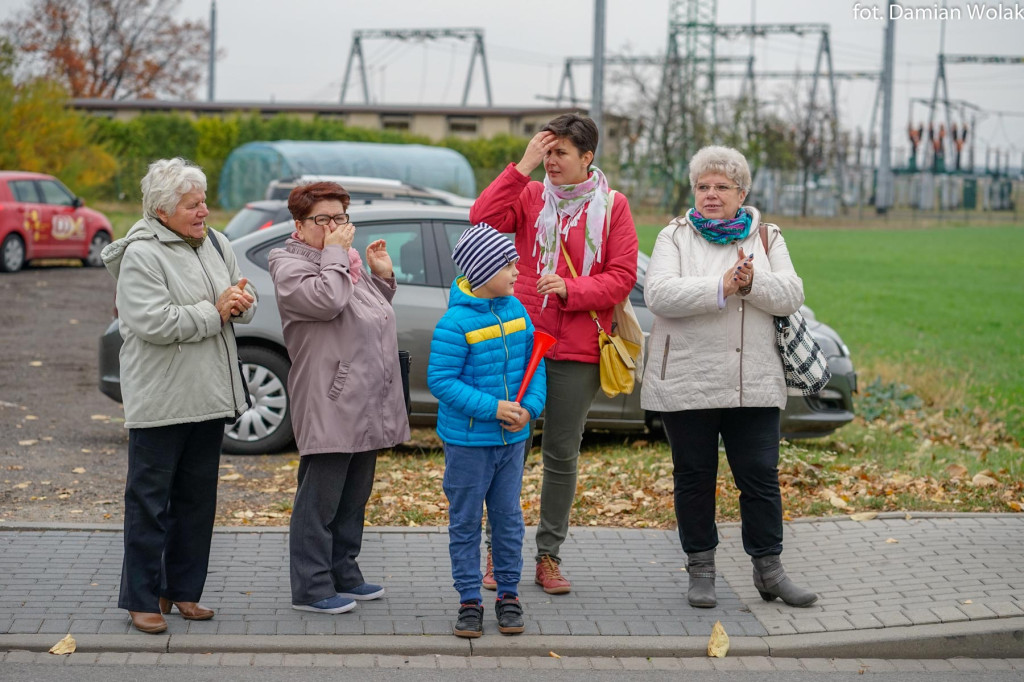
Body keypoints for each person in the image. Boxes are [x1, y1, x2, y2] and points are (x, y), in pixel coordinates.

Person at [640, 145, 818, 609]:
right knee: (694, 477)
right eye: (703, 186)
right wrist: (723, 285)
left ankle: (770, 571)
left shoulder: (768, 237)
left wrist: (752, 282)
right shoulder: (673, 236)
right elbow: (659, 294)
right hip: (687, 377)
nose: (711, 195)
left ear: (743, 192)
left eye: (721, 187)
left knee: (760, 475)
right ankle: (701, 570)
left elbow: (792, 293)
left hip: (753, 380)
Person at [470, 113, 638, 595]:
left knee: (561, 454)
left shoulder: (613, 207)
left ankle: (548, 555)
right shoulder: (529, 193)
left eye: (561, 152)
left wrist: (570, 287)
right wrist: (520, 167)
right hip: (521, 342)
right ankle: (498, 555)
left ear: (588, 157)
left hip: (579, 348)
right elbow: (482, 219)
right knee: (508, 452)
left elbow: (622, 277)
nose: (552, 161)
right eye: (547, 151)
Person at [101, 158, 257, 634]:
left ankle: (182, 592)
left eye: (204, 201)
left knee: (196, 502)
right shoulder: (142, 254)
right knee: (150, 503)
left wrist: (241, 304)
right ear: (163, 210)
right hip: (162, 400)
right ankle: (142, 599)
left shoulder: (217, 243)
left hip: (209, 396)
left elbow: (238, 304)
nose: (203, 211)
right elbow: (154, 323)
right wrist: (216, 311)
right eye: (192, 204)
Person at [268, 181, 410, 615]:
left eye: (340, 218)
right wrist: (334, 253)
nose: (335, 227)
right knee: (320, 498)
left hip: (367, 394)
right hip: (330, 395)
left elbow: (367, 314)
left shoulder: (345, 262)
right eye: (323, 219)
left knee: (354, 493)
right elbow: (327, 302)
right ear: (299, 224)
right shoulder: (289, 265)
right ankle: (311, 587)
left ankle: (343, 571)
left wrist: (382, 277)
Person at [427, 224, 547, 638]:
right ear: (482, 271)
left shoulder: (516, 310)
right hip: (468, 443)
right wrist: (494, 408)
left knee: (508, 519)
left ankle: (508, 596)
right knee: (465, 522)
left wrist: (529, 410)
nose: (517, 270)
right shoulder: (454, 322)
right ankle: (469, 600)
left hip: (511, 440)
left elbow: (537, 365)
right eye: (508, 263)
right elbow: (441, 381)